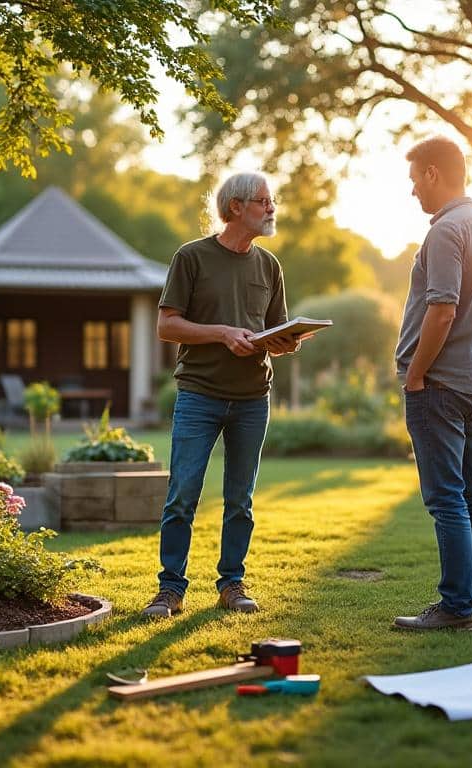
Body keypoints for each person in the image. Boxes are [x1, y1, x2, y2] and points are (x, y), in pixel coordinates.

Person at [141, 172, 301, 618]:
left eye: (272, 201)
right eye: (263, 201)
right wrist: (222, 334)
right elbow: (167, 325)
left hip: (253, 397)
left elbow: (273, 328)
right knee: (182, 495)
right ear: (235, 207)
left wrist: (285, 341)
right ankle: (170, 589)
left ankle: (232, 584)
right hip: (200, 395)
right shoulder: (191, 257)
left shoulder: (269, 266)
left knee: (241, 500)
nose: (272, 208)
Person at [392, 136, 472, 631]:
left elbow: (442, 310)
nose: (413, 190)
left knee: (446, 497)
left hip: (439, 384)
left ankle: (457, 608)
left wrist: (415, 375)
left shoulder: (446, 232)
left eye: (416, 178)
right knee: (471, 492)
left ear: (434, 173)